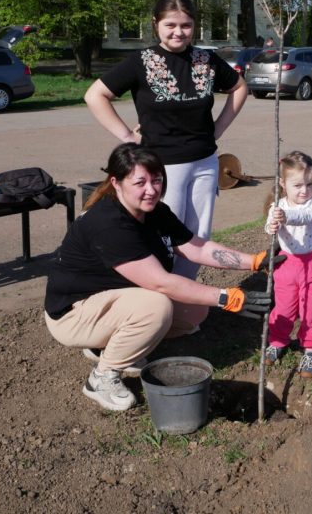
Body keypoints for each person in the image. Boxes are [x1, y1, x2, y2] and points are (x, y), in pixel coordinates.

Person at [44, 143, 276, 411]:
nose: (151, 189)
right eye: (140, 182)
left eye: (156, 180)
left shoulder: (154, 212)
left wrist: (255, 261)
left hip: (111, 302)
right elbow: (160, 282)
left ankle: (111, 346)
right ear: (116, 183)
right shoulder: (109, 223)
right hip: (73, 314)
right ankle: (101, 377)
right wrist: (226, 297)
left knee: (194, 312)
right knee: (157, 307)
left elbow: (195, 246)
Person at [84, 0, 248, 280]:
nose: (178, 32)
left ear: (194, 26)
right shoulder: (141, 61)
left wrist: (217, 129)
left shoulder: (205, 60)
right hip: (161, 168)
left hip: (205, 162)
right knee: (166, 237)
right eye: (170, 25)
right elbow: (95, 95)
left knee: (198, 235)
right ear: (155, 24)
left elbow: (239, 87)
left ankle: (187, 302)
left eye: (185, 25)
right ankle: (162, 302)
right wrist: (126, 136)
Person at [263, 151, 312, 378]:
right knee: (284, 306)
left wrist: (285, 217)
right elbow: (270, 224)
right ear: (283, 183)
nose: (304, 191)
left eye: (309, 184)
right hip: (288, 264)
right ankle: (278, 340)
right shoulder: (277, 206)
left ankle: (310, 347)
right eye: (298, 185)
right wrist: (272, 225)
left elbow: (305, 217)